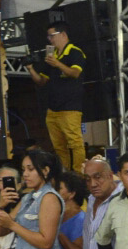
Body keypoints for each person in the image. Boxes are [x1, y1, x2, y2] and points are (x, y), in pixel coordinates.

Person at [29, 21, 87, 170]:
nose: (50, 40)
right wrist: (30, 68)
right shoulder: (51, 56)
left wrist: (57, 64)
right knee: (59, 146)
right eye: (48, 37)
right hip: (53, 109)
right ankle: (64, 173)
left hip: (70, 107)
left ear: (63, 35)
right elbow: (41, 81)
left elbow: (75, 73)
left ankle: (79, 174)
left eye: (52, 36)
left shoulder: (74, 52)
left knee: (75, 143)